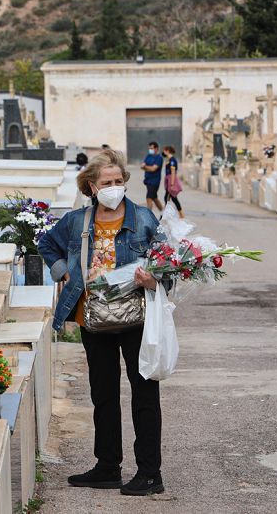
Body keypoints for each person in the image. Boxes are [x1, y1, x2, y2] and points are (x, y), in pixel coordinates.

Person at [38, 149, 165, 496]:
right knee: (104, 395)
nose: (114, 187)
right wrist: (62, 272)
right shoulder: (77, 221)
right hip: (93, 320)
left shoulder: (143, 219)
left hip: (135, 318)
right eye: (106, 182)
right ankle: (108, 466)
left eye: (119, 181)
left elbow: (168, 260)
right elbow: (46, 243)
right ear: (92, 186)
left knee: (144, 395)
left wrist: (155, 280)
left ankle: (150, 473)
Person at [140, 141, 164, 214]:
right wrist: (148, 168)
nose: (150, 150)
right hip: (148, 180)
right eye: (149, 148)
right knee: (154, 198)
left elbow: (154, 169)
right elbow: (142, 166)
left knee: (149, 198)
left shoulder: (159, 158)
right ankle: (164, 212)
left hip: (155, 181)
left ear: (156, 148)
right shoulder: (148, 156)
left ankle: (149, 216)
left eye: (152, 148)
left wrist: (146, 167)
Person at [161, 145, 184, 218]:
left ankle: (165, 215)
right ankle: (179, 214)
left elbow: (173, 171)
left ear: (168, 151)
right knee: (172, 198)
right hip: (169, 179)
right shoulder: (169, 159)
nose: (163, 152)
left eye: (164, 150)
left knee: (169, 198)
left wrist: (172, 183)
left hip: (171, 179)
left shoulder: (172, 160)